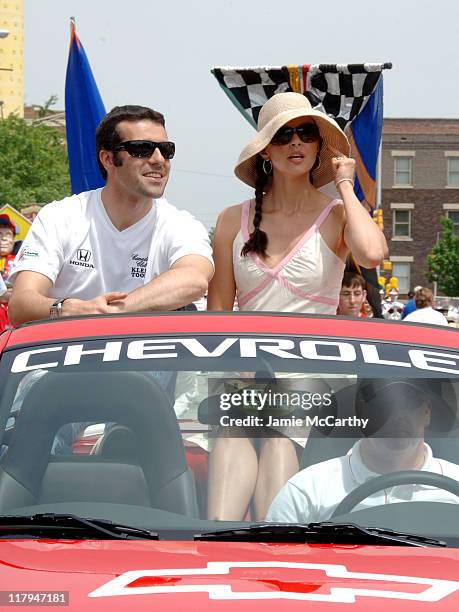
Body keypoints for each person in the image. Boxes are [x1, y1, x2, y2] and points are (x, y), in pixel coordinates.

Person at [206, 93, 388, 521]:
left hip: (314, 368)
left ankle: (272, 545)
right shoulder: (233, 219)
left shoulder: (338, 214)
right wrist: (230, 372)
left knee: (279, 434)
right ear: (266, 149)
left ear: (318, 146)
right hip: (245, 368)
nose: (295, 143)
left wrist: (345, 183)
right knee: (232, 433)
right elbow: (217, 315)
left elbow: (373, 254)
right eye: (283, 134)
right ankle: (217, 543)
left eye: (306, 133)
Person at [8, 105, 213, 325]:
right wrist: (66, 309)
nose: (158, 159)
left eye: (166, 149)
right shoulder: (60, 216)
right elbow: (20, 305)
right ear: (107, 159)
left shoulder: (181, 224)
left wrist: (109, 312)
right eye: (142, 148)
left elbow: (194, 279)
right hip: (67, 353)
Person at [267, 379, 459, 523]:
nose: (398, 414)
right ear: (361, 412)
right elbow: (275, 563)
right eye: (384, 403)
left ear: (427, 412)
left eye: (410, 402)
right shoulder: (308, 491)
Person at [0, 214, 18, 330]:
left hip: (15, 317)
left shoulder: (21, 261)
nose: (4, 238)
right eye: (0, 235)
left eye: (8, 234)